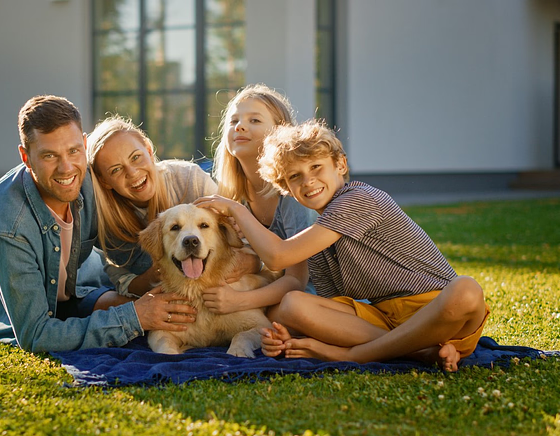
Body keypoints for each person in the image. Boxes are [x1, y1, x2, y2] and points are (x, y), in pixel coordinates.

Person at [195, 119, 490, 371]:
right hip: (385, 320)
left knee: (466, 290)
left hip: (438, 312)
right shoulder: (319, 238)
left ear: (340, 165)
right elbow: (332, 309)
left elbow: (277, 257)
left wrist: (236, 209)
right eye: (295, 176)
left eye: (316, 167)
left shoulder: (357, 199)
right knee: (289, 306)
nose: (308, 181)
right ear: (286, 188)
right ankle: (418, 352)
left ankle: (356, 355)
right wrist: (284, 336)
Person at [0, 95, 196, 353]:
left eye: (73, 151)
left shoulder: (93, 181)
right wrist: (136, 317)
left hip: (82, 294)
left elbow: (142, 187)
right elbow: (36, 335)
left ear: (84, 144)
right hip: (36, 319)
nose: (66, 168)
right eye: (49, 156)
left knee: (171, 308)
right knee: (144, 316)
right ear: (26, 156)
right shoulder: (8, 222)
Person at [86, 115, 259, 303]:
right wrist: (153, 277)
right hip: (162, 295)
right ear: (104, 181)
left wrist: (250, 262)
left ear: (149, 150)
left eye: (136, 157)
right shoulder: (108, 219)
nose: (132, 173)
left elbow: (246, 241)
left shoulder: (190, 179)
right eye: (116, 170)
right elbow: (120, 280)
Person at [206, 84, 317, 315]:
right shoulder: (232, 195)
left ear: (280, 132)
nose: (240, 126)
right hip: (271, 292)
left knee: (281, 314)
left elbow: (298, 280)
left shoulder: (293, 191)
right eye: (233, 121)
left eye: (254, 120)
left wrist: (238, 302)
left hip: (313, 296)